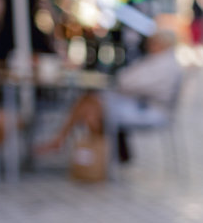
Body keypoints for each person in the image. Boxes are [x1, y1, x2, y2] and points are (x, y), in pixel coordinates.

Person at [37, 29, 184, 161]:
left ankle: (84, 152)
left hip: (146, 109)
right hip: (138, 104)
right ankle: (97, 159)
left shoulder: (164, 64)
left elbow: (128, 82)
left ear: (162, 44)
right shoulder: (158, 60)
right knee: (91, 106)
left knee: (91, 104)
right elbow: (127, 80)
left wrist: (123, 82)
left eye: (153, 42)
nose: (149, 45)